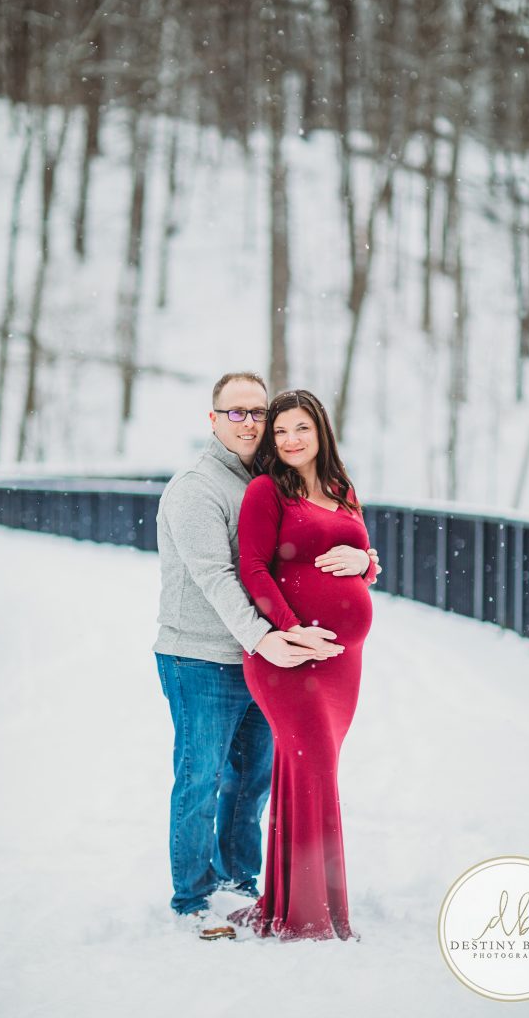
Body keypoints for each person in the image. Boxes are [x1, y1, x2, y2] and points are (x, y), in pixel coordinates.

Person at [153, 372, 377, 940]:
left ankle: (238, 878)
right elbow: (219, 576)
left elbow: (318, 544)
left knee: (251, 778)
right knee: (200, 777)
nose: (250, 423)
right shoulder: (196, 488)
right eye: (237, 413)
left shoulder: (271, 475)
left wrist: (365, 563)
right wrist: (268, 635)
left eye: (258, 411)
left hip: (267, 654)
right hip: (202, 654)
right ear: (214, 419)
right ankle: (192, 898)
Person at [228, 389, 378, 941]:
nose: (291, 440)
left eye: (302, 429)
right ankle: (306, 915)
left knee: (313, 774)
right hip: (288, 659)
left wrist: (365, 561)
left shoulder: (342, 488)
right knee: (311, 770)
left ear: (321, 433)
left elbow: (361, 562)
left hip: (343, 664)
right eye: (281, 431)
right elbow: (252, 568)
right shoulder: (267, 491)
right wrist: (293, 630)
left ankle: (297, 900)